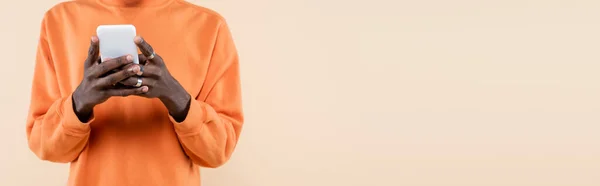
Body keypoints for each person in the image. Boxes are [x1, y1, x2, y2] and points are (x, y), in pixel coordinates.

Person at [25, 0, 244, 185]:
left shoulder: (209, 26)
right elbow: (44, 146)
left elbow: (219, 151)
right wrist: (79, 102)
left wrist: (177, 97)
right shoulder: (59, 21)